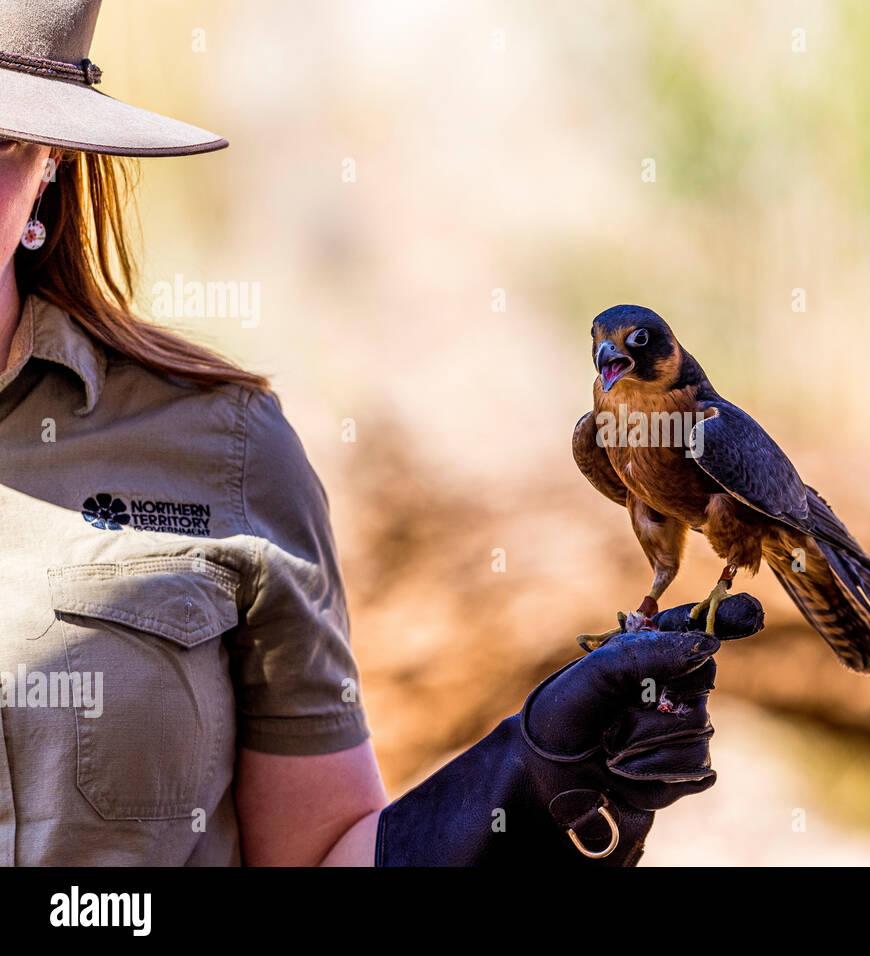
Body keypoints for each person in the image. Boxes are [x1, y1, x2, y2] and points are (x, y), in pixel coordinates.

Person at [0, 0, 761, 866]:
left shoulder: (222, 447)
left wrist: (535, 786)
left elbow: (324, 853)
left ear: (52, 159)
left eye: (2, 141)